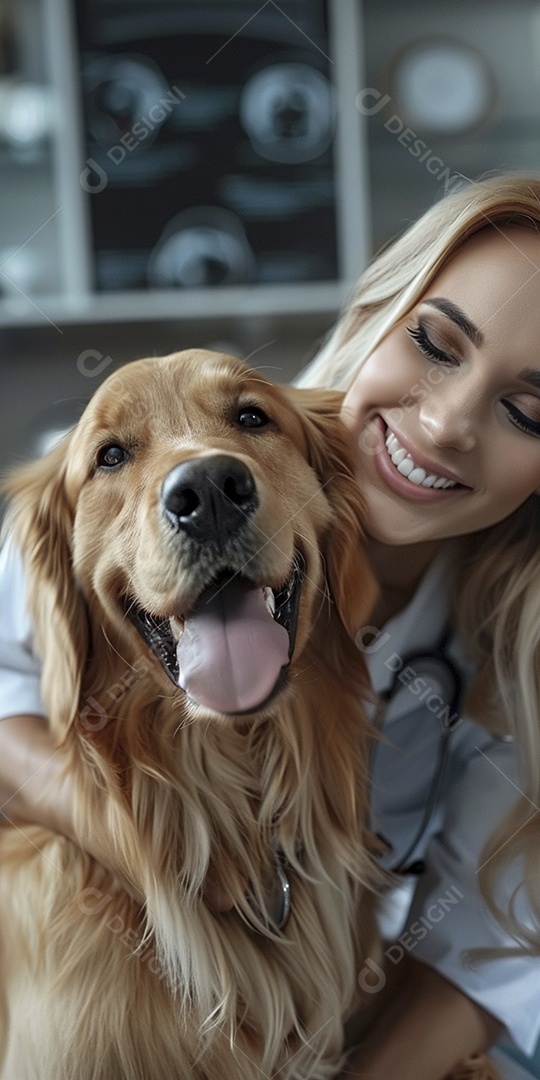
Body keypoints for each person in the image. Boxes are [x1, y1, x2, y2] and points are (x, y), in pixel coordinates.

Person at [2, 173, 540, 1079]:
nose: (447, 425)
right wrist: (157, 849)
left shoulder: (513, 646)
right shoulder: (64, 514)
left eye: (529, 409)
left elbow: (494, 938)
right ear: (372, 311)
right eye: (434, 344)